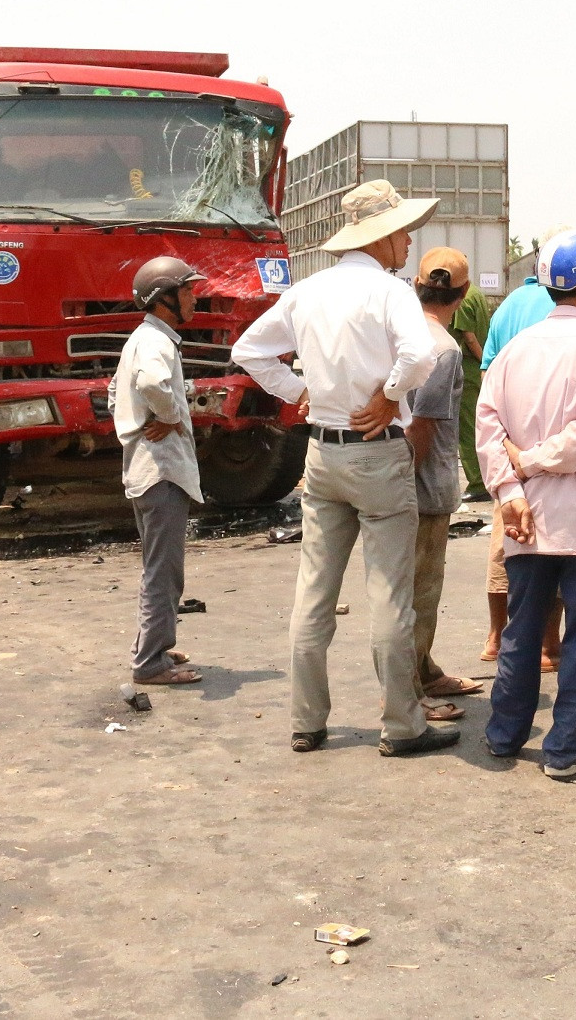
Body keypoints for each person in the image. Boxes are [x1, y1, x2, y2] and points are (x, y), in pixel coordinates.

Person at [232, 180, 457, 758]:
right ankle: (401, 725)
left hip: (322, 455)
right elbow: (421, 355)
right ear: (381, 237)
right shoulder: (388, 292)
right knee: (389, 597)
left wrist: (298, 390)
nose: (409, 242)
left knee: (314, 593)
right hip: (376, 451)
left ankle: (307, 721)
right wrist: (388, 396)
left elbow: (249, 351)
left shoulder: (309, 292)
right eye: (404, 231)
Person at [477, 230, 576, 777]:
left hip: (526, 521)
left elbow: (487, 429)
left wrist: (510, 489)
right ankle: (564, 750)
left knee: (522, 629)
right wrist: (532, 463)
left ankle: (503, 737)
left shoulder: (516, 350)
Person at [476, 231, 571, 670]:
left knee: (506, 541)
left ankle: (497, 638)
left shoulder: (511, 305)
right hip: (557, 446)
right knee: (554, 544)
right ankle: (549, 646)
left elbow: (489, 375)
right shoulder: (571, 309)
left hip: (509, 444)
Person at [114, 256, 207, 687]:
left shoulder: (147, 338)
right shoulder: (156, 343)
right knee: (163, 569)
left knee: (163, 567)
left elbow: (116, 393)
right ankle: (150, 662)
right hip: (160, 471)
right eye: (186, 291)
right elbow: (151, 384)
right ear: (164, 298)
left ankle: (156, 644)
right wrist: (169, 414)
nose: (194, 298)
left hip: (148, 469)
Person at [407, 247, 487, 720]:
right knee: (419, 592)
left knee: (412, 588)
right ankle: (408, 693)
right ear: (463, 294)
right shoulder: (445, 348)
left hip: (400, 480)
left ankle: (424, 668)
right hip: (423, 487)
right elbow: (423, 428)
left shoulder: (398, 334)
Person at [450, 281, 492, 501]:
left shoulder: (463, 298)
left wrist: (483, 361)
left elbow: (469, 336)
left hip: (469, 370)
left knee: (467, 431)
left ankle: (477, 483)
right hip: (476, 371)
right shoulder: (476, 292)